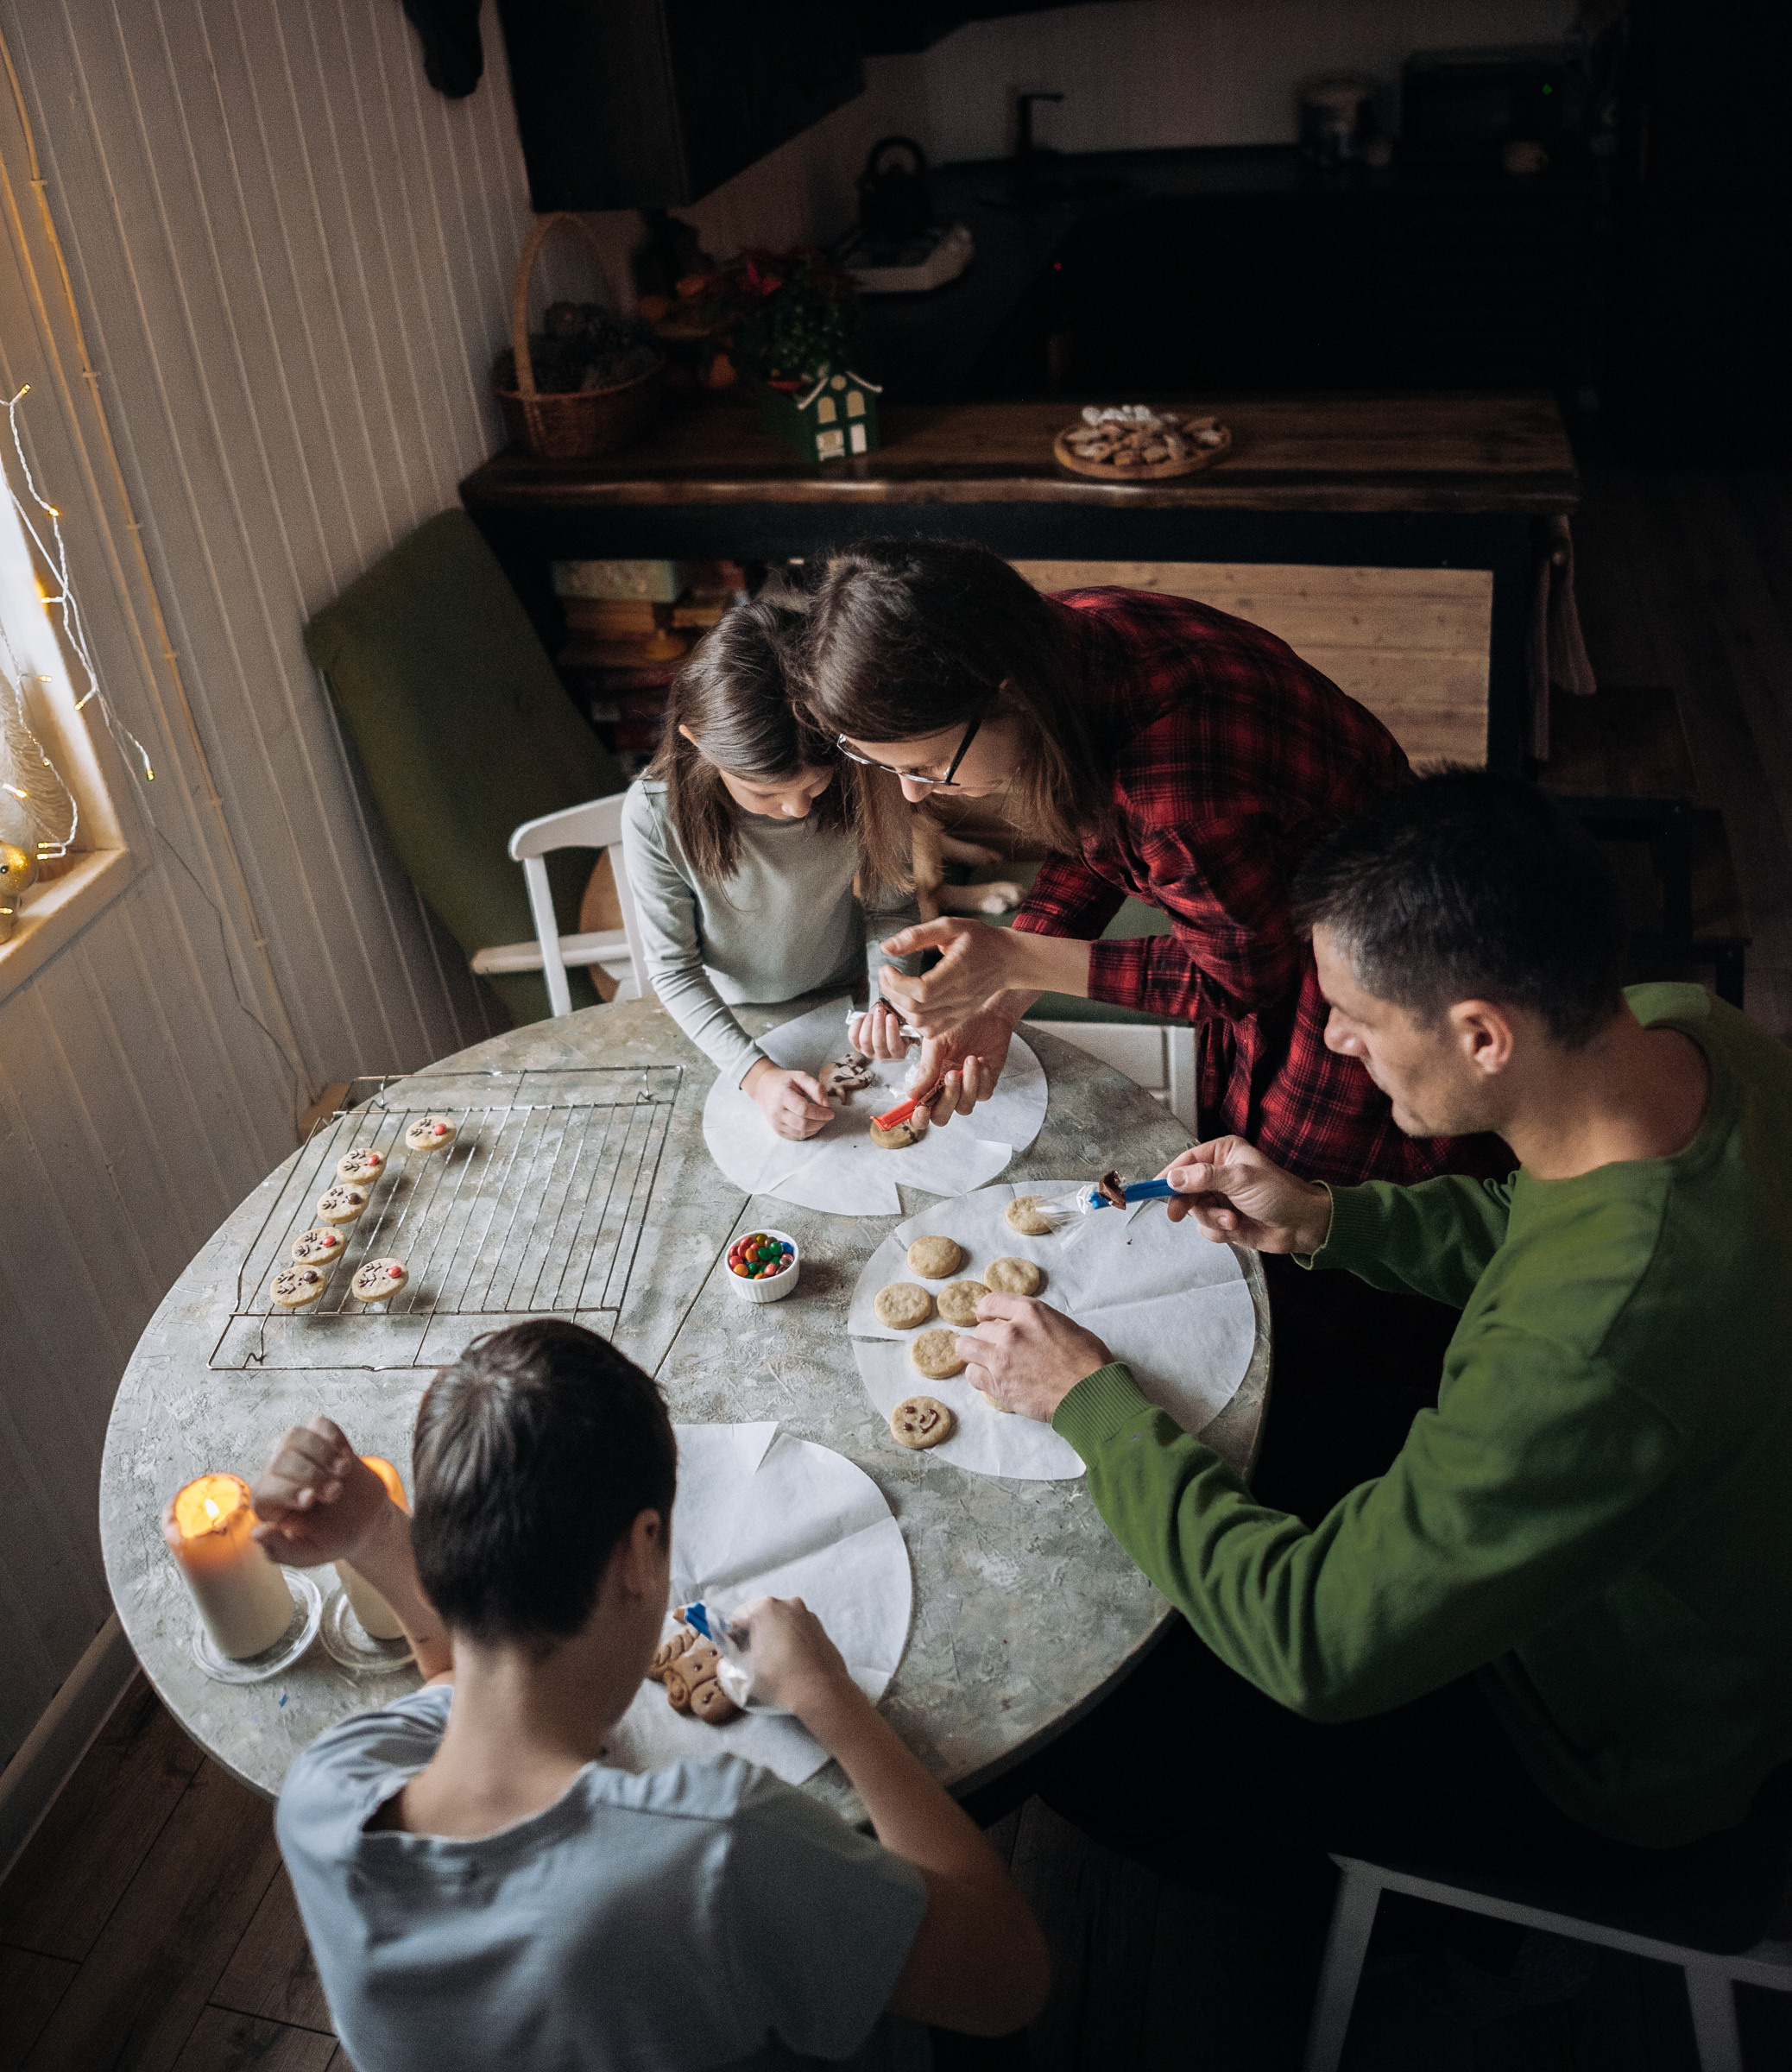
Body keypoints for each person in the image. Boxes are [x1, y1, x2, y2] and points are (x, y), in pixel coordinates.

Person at [958, 772, 1792, 1921]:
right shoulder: (1686, 1034)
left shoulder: (1592, 1353)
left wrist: (1088, 1400)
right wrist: (1328, 1218)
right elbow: (1540, 1229)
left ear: (1481, 1035)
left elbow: (1317, 1646)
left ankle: (1409, 1934)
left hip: (1600, 1744)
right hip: (1659, 1560)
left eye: (1354, 1014)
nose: (1337, 1040)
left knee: (1090, 1745)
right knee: (1258, 1440)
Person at [256, 1319, 1048, 2072]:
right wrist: (829, 1696)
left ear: (446, 1550)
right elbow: (1005, 1979)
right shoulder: (715, 1847)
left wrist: (373, 1537)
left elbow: (453, 1687)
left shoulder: (324, 1792)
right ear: (641, 1553)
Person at [796, 537, 1486, 1185]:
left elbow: (1243, 978)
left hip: (1366, 946)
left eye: (928, 763)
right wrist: (1001, 1002)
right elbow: (1094, 836)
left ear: (1010, 696)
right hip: (1260, 902)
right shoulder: (1065, 633)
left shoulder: (1173, 790)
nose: (915, 792)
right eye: (888, 768)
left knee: (1306, 1182)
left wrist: (1015, 959)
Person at [622, 597, 915, 1141]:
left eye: (815, 784)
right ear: (698, 743)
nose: (799, 809)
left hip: (846, 993)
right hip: (733, 1019)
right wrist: (755, 1078)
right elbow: (674, 970)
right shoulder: (654, 813)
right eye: (766, 793)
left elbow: (892, 910)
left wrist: (887, 997)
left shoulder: (866, 779)